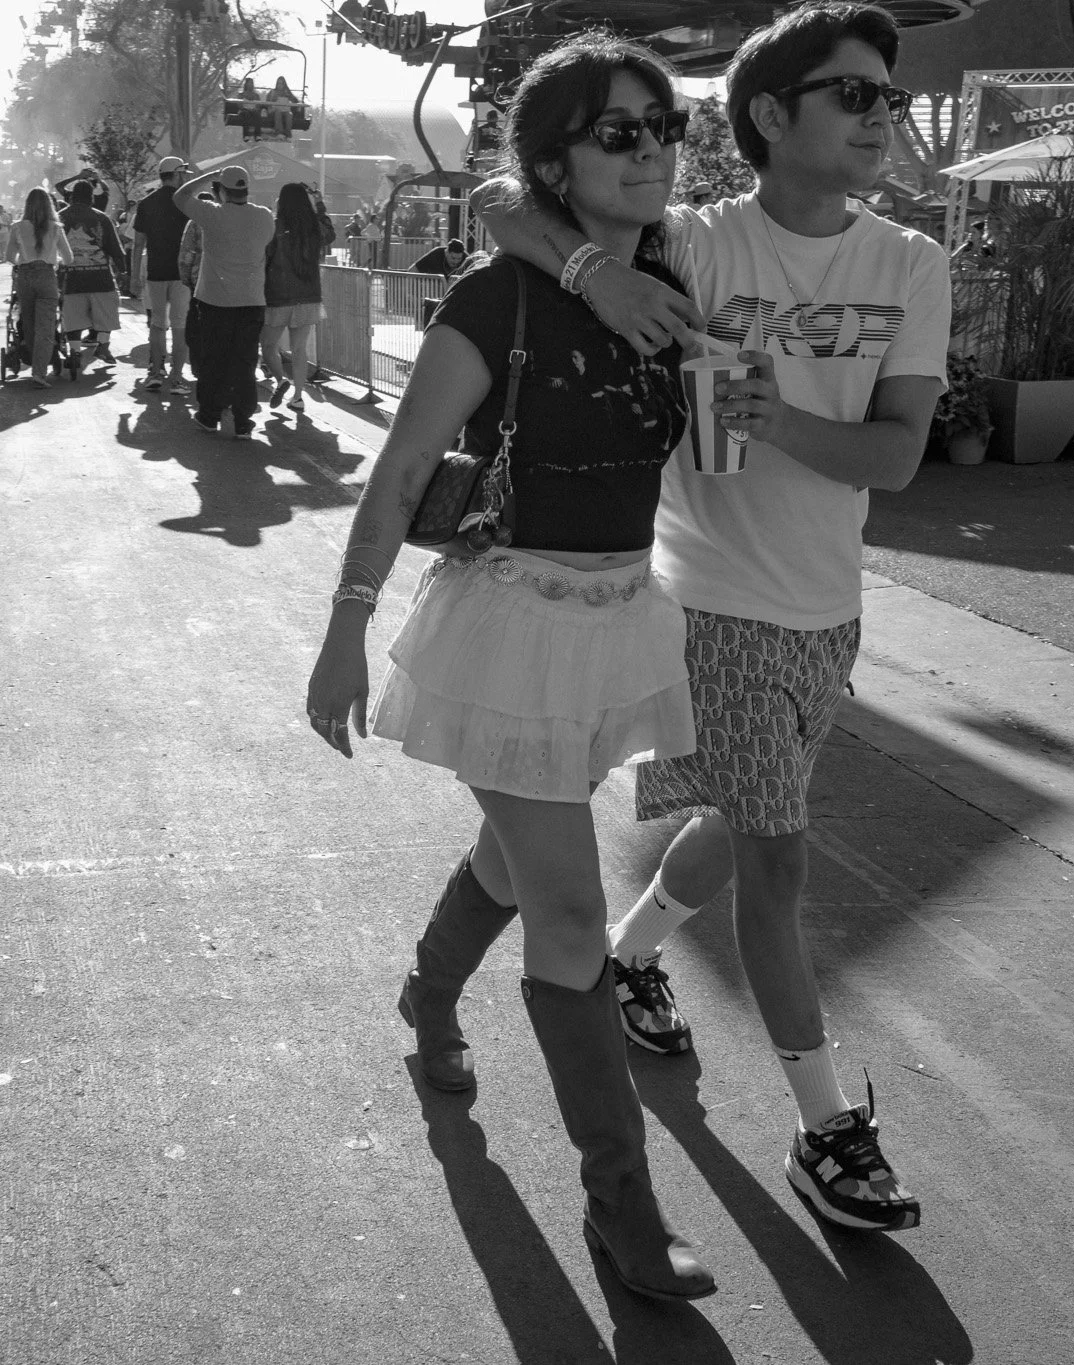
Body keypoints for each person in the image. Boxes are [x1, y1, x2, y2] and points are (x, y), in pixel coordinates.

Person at [478, 0, 945, 1236]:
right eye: (851, 95)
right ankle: (825, 1133)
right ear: (769, 116)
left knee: (739, 832)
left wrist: (773, 414)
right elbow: (499, 205)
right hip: (708, 600)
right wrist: (590, 273)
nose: (878, 118)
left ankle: (624, 950)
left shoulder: (908, 263)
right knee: (780, 855)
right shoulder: (686, 238)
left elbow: (894, 459)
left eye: (886, 97)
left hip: (827, 607)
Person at [305, 32, 714, 1305]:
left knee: (513, 856)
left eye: (664, 127)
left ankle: (427, 995)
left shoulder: (684, 267)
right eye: (617, 133)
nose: (650, 150)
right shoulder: (496, 295)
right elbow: (403, 466)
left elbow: (512, 191)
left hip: (619, 619)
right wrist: (343, 629)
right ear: (557, 160)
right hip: (506, 626)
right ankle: (625, 1219)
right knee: (572, 906)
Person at [174, 165, 272, 437]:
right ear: (246, 189)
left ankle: (209, 415)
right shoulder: (264, 216)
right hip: (252, 300)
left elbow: (180, 197)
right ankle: (243, 421)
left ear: (221, 191)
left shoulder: (211, 214)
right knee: (245, 362)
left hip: (214, 300)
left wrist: (207, 177)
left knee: (213, 360)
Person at [260, 181, 334, 412]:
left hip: (278, 295)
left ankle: (281, 380)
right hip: (308, 296)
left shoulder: (274, 227)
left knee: (268, 345)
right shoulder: (313, 228)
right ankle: (299, 397)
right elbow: (330, 234)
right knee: (299, 349)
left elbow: (264, 259)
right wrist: (319, 204)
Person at [132, 156, 195, 394]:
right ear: (176, 174)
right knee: (179, 327)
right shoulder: (186, 202)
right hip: (182, 275)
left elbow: (138, 245)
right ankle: (177, 378)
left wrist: (133, 277)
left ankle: (156, 373)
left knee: (158, 325)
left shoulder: (146, 203)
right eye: (183, 174)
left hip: (155, 273)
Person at [2, 186, 69, 388]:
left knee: (28, 324)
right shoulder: (56, 228)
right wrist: (53, 259)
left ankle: (32, 359)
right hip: (47, 276)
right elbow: (69, 258)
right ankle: (39, 372)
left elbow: (8, 257)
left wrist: (24, 260)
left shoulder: (17, 227)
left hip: (25, 276)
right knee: (46, 327)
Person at [58, 179, 126, 371]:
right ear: (91, 198)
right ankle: (103, 347)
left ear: (71, 197)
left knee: (73, 317)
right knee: (106, 314)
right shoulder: (102, 218)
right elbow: (114, 247)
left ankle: (75, 352)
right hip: (100, 278)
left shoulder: (59, 218)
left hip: (70, 279)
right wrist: (123, 269)